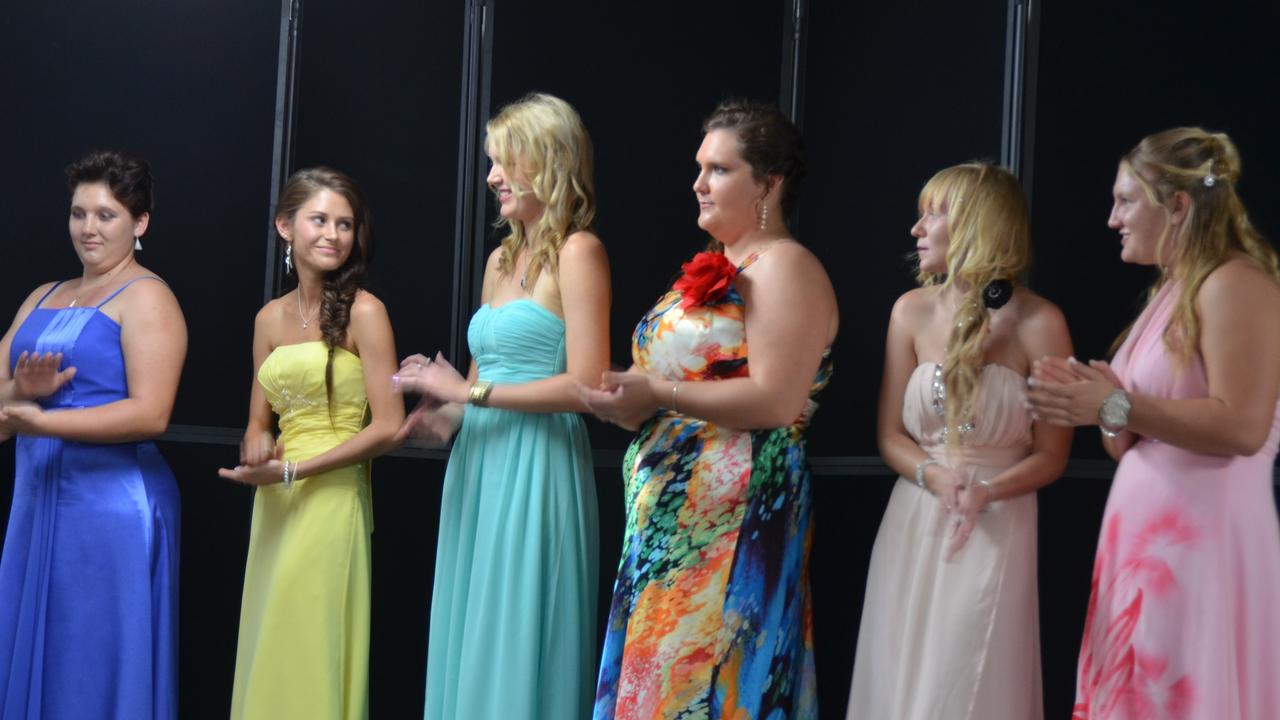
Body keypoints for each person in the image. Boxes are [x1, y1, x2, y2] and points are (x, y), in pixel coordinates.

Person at [580, 99, 837, 720]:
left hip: (733, 522)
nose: (698, 183)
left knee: (710, 686)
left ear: (768, 185)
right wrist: (629, 408)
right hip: (670, 530)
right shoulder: (722, 265)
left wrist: (659, 396)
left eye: (718, 169)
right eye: (699, 167)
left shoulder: (785, 267)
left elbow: (775, 399)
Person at [1027, 128, 1280, 719]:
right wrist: (1096, 402)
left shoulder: (1234, 283)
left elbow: (1242, 425)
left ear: (1178, 206)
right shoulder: (1169, 292)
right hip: (1144, 548)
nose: (1113, 218)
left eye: (1126, 200)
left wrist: (1114, 407)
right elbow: (1130, 446)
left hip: (1201, 546)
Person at [392, 92, 608, 720]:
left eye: (504, 162)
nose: (491, 177)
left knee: (517, 631)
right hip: (479, 465)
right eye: (492, 163)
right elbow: (475, 380)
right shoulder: (500, 259)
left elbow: (587, 387)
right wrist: (443, 419)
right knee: (473, 630)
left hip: (536, 465)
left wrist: (470, 393)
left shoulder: (579, 252)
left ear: (549, 162)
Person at [846, 163, 1072, 720]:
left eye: (934, 213)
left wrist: (985, 493)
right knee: (898, 672)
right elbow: (890, 436)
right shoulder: (909, 312)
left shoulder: (1041, 322)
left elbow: (1052, 453)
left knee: (969, 675)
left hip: (996, 521)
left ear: (976, 223)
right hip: (916, 514)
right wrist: (937, 477)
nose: (917, 229)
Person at [0, 150, 187, 718]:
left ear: (140, 223)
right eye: (79, 213)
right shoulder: (41, 295)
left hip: (110, 511)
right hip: (37, 502)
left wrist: (35, 417)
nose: (88, 228)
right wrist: (21, 396)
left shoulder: (148, 297)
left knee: (91, 661)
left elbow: (151, 414)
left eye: (106, 215)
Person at [218, 167, 403, 719]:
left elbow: (389, 426)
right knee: (271, 638)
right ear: (285, 226)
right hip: (276, 501)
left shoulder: (365, 312)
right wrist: (258, 447)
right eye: (319, 219)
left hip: (331, 496)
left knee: (313, 641)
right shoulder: (268, 318)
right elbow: (259, 421)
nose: (333, 234)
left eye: (344, 224)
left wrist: (296, 471)